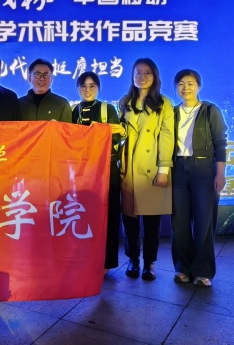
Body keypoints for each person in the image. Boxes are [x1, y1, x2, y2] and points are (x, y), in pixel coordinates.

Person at [118, 58, 174, 281]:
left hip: (153, 168)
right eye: (138, 72)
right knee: (129, 220)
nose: (142, 77)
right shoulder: (125, 101)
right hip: (129, 168)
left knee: (152, 222)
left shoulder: (163, 103)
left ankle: (150, 262)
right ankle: (133, 259)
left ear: (155, 76)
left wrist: (164, 170)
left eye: (147, 73)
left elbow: (167, 137)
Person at [171, 69, 227, 287]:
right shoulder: (172, 112)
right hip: (177, 168)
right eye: (181, 83)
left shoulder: (210, 110)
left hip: (203, 169)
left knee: (204, 222)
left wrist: (220, 173)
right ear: (176, 87)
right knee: (179, 222)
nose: (186, 88)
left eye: (190, 83)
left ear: (199, 86)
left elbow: (220, 142)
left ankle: (203, 271)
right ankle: (182, 267)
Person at [72, 71, 125, 272]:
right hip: (83, 171)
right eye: (83, 86)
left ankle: (107, 262)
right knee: (85, 214)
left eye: (92, 86)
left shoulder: (106, 108)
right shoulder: (74, 111)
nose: (88, 90)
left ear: (99, 88)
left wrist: (100, 130)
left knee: (109, 214)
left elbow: (119, 136)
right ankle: (85, 258)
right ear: (78, 89)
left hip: (106, 168)